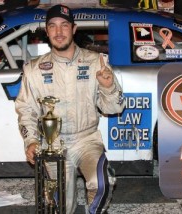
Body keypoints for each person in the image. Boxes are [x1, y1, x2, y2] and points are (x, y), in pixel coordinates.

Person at [15, 4, 125, 214]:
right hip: (52, 144)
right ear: (46, 32)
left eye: (64, 25)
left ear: (74, 29)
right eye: (53, 26)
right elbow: (26, 110)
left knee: (103, 183)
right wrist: (30, 141)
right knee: (61, 206)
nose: (59, 32)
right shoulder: (33, 69)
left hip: (87, 140)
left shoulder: (95, 62)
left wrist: (108, 86)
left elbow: (115, 107)